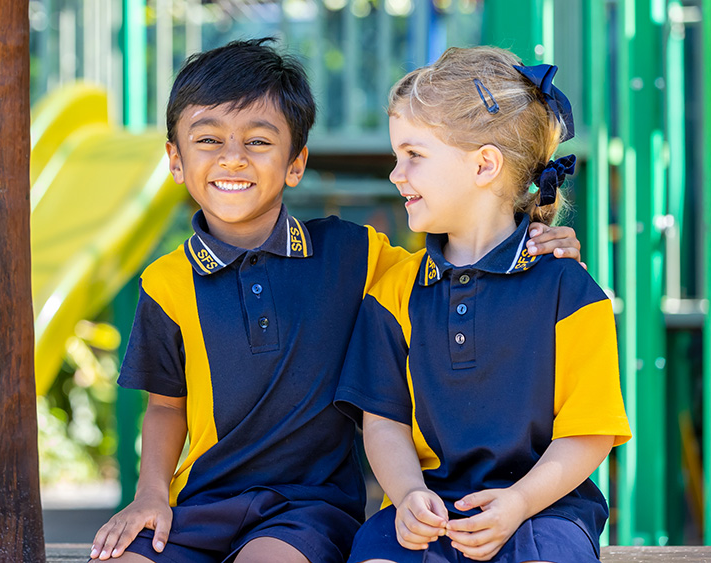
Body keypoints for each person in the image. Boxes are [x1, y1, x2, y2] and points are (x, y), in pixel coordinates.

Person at [91, 39, 583, 563]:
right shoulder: (165, 282)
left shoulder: (355, 254)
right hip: (200, 503)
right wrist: (150, 495)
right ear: (175, 159)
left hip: (307, 509)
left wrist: (535, 239)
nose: (232, 157)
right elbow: (165, 406)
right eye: (208, 139)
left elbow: (464, 266)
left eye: (258, 141)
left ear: (295, 163)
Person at [334, 46, 632, 563]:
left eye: (413, 154)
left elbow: (590, 431)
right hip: (427, 509)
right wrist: (407, 494)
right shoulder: (392, 292)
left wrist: (519, 503)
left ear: (484, 165)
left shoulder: (571, 291)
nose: (396, 173)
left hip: (544, 511)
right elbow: (384, 422)